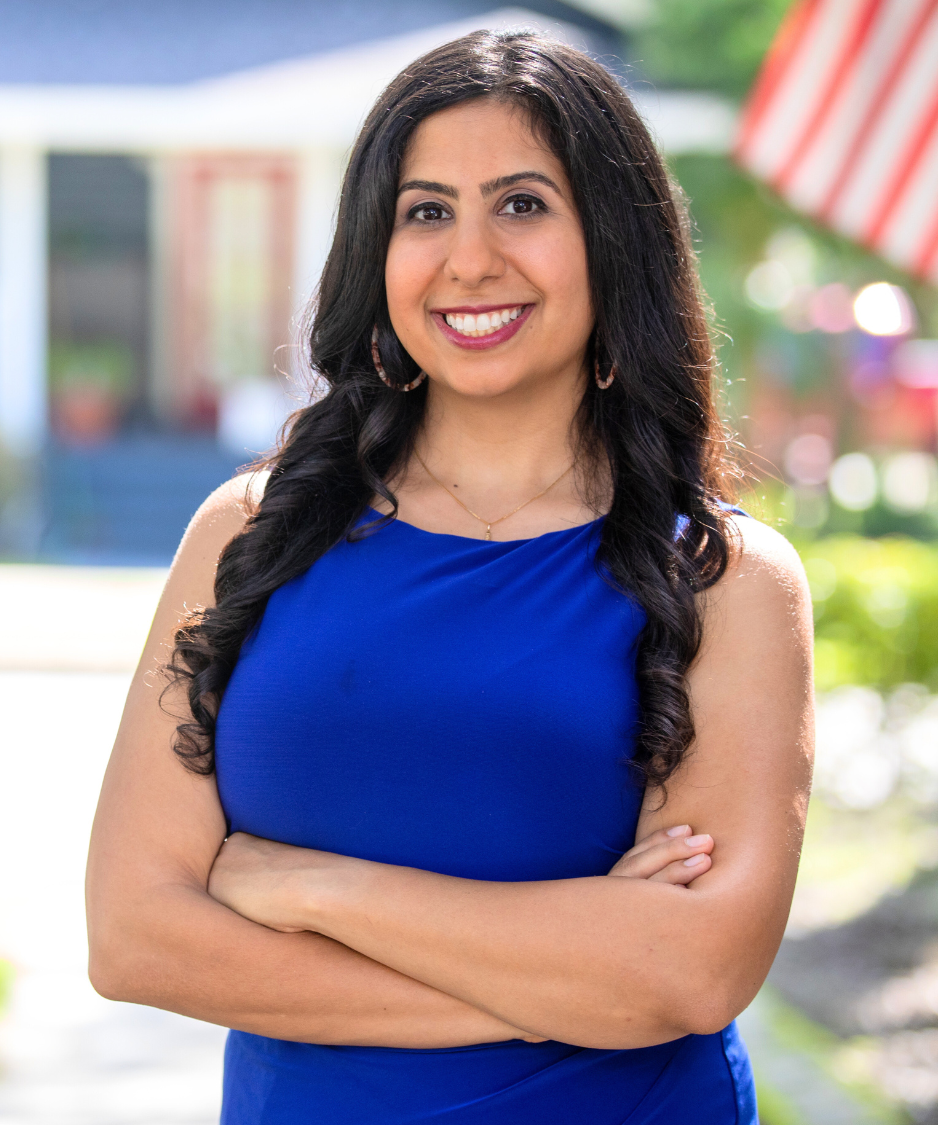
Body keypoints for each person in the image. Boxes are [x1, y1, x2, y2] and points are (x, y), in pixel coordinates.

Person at [86, 30, 814, 1124]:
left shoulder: (724, 579)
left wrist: (308, 887)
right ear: (376, 254)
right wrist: (571, 980)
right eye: (424, 211)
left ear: (610, 242)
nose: (468, 259)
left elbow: (690, 973)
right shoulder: (249, 537)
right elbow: (135, 937)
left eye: (521, 204)